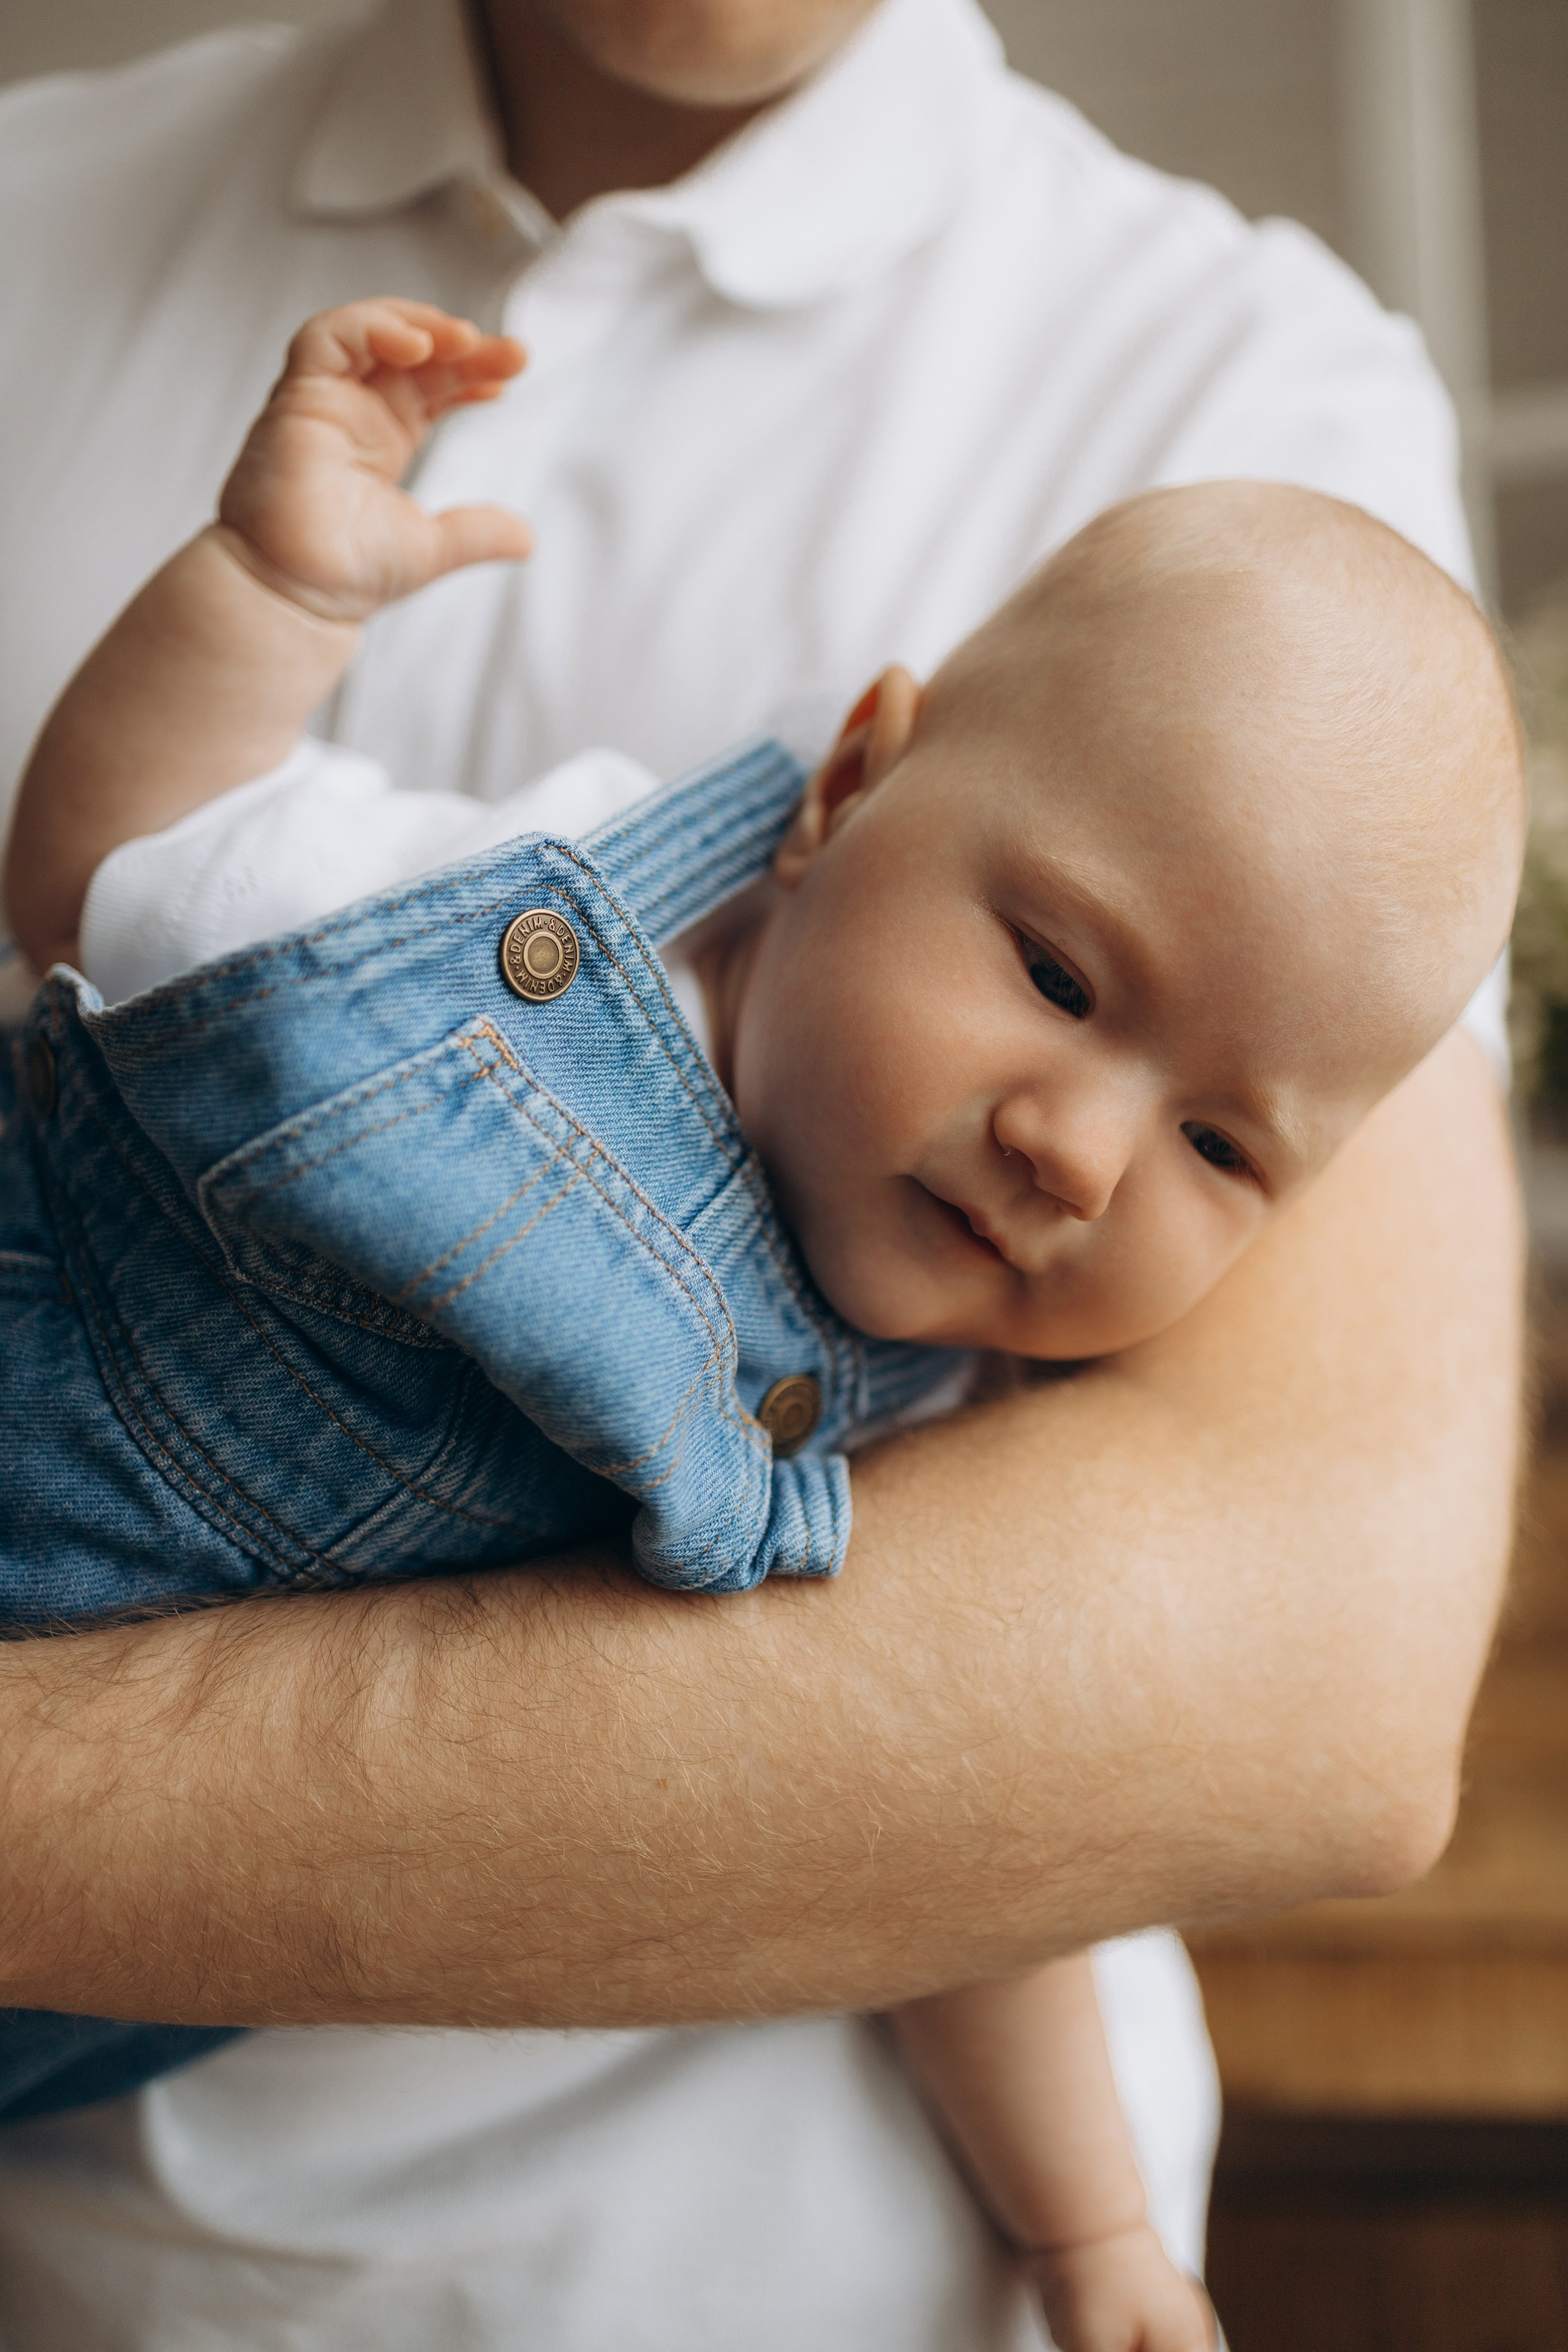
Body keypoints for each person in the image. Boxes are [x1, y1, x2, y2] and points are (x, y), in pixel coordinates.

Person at [0, 4, 1522, 2346]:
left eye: (1225, 1147)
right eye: (1052, 972)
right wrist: (276, 605)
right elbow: (118, 870)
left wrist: (1093, 2239)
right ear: (841, 790)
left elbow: (1098, 1801)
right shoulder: (527, 922)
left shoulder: (1247, 376)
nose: (1075, 1147)